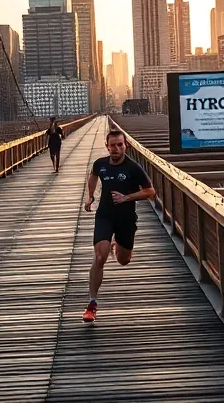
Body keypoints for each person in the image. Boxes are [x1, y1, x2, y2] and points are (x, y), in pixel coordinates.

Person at [81, 130, 156, 323]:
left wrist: (127, 197)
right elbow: (93, 174)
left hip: (126, 219)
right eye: (112, 145)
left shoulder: (133, 168)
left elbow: (150, 191)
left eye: (120, 145)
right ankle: (92, 304)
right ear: (107, 146)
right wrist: (90, 196)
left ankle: (116, 244)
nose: (116, 149)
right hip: (105, 215)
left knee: (124, 260)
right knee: (100, 257)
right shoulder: (101, 164)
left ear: (125, 146)